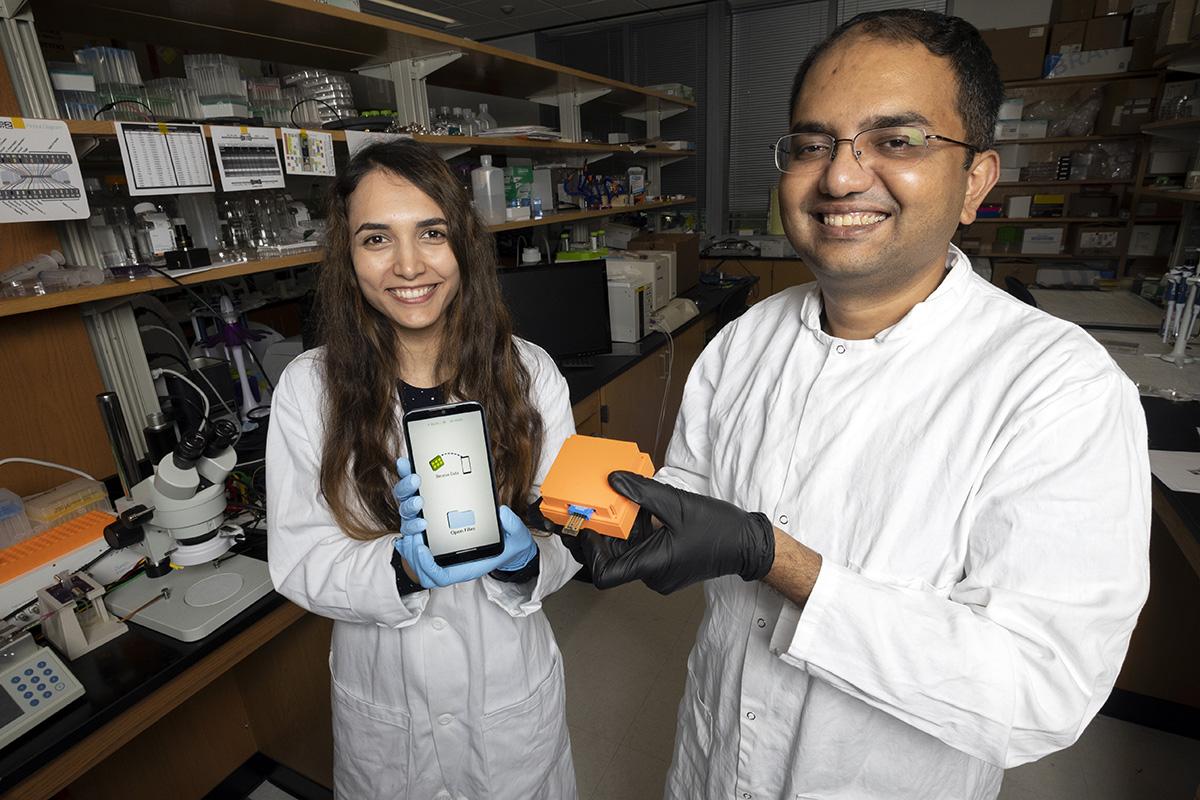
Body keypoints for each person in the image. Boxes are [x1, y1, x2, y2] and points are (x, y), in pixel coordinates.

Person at [575, 10, 1150, 800]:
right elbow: (697, 498)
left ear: (976, 179)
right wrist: (629, 523)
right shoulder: (743, 341)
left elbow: (1040, 692)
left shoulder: (1058, 390)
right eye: (813, 144)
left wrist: (776, 559)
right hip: (710, 766)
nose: (840, 177)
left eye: (897, 140)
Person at [266, 139, 579, 799]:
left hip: (508, 695)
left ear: (462, 243)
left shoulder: (531, 373)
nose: (408, 265)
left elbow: (570, 531)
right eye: (376, 238)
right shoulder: (307, 389)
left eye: (431, 233)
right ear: (348, 258)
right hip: (384, 702)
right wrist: (400, 570)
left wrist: (525, 558)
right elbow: (298, 560)